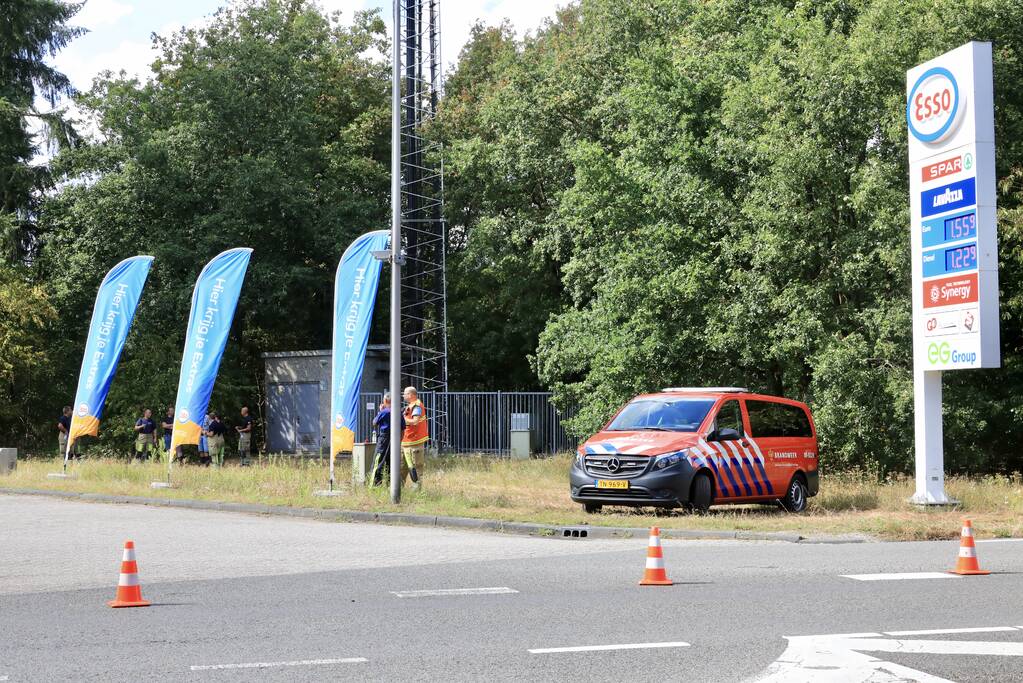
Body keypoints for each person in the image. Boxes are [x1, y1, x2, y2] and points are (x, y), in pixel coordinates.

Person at [370, 393, 403, 486]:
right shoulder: (398, 412)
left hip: (384, 438)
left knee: (378, 461)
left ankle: (375, 484)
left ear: (385, 401)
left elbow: (374, 422)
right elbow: (403, 427)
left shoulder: (385, 412)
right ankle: (391, 485)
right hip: (396, 438)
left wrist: (380, 411)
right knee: (391, 462)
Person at [400, 386, 428, 486]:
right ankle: (399, 490)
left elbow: (415, 421)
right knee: (401, 468)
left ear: (411, 395)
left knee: (415, 469)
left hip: (414, 443)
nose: (403, 395)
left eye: (405, 393)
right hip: (406, 442)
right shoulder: (410, 406)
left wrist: (403, 419)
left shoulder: (417, 406)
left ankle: (417, 492)